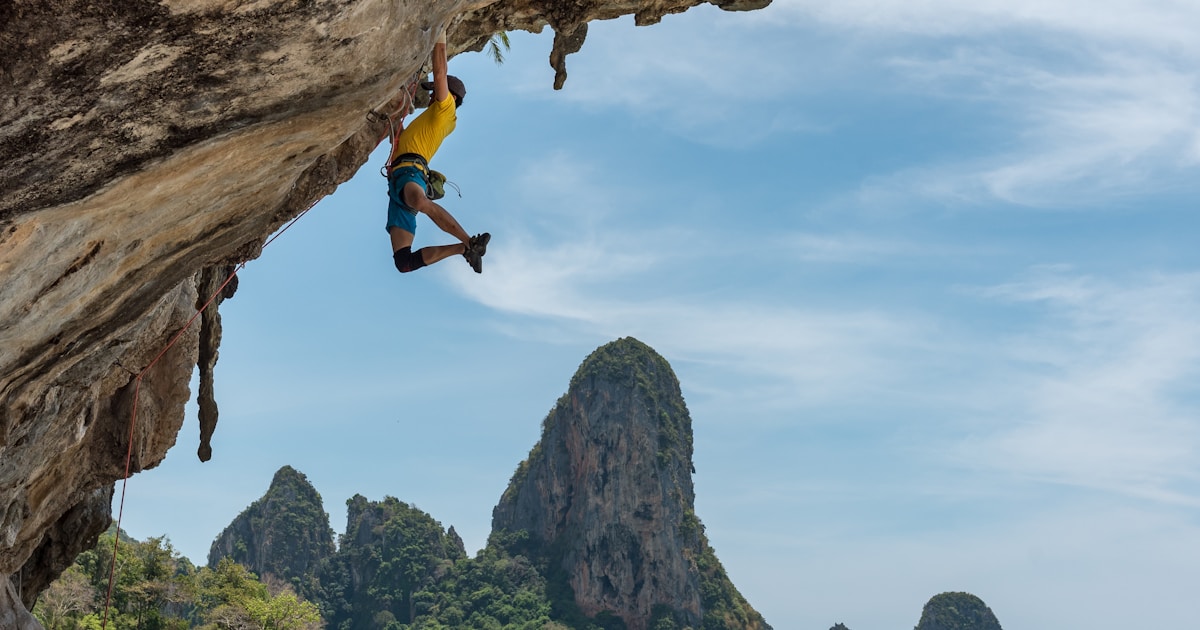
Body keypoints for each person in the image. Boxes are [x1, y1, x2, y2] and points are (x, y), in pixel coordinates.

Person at [380, 29, 489, 274]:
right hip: (399, 181)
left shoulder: (446, 110)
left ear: (447, 95)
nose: (429, 96)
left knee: (420, 201)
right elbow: (399, 137)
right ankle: (465, 249)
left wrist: (439, 33)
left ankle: (470, 242)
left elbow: (440, 72)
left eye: (433, 92)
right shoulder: (431, 119)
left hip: (411, 174)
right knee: (404, 263)